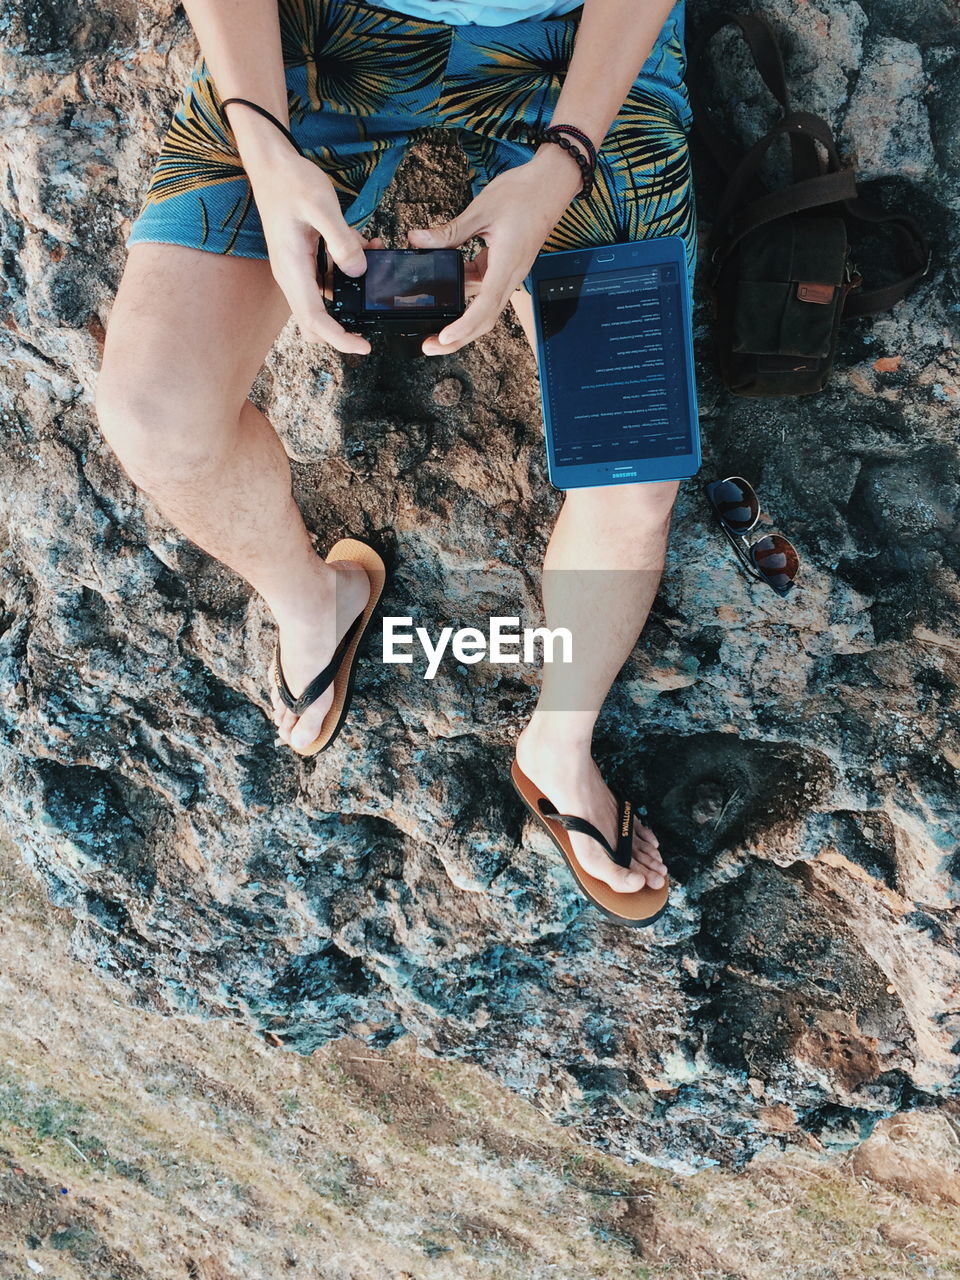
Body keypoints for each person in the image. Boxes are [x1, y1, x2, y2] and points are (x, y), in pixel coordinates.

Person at [94, 0, 695, 919]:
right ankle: (312, 597)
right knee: (153, 415)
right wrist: (262, 145)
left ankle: (559, 746)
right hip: (318, 26)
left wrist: (563, 163)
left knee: (637, 476)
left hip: (576, 39)